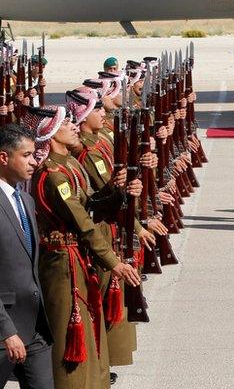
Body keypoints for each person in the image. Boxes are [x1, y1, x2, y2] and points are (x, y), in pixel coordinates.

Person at [25, 106, 140, 389]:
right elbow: (83, 222)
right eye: (66, 123)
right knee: (70, 329)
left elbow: (92, 204)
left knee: (89, 327)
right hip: (63, 261)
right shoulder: (53, 175)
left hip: (78, 255)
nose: (74, 126)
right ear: (50, 133)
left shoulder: (69, 165)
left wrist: (118, 190)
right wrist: (112, 261)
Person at [0, 124, 54, 389]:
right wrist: (6, 332)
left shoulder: (25, 199)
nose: (34, 161)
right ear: (3, 157)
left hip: (34, 329)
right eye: (26, 155)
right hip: (4, 331)